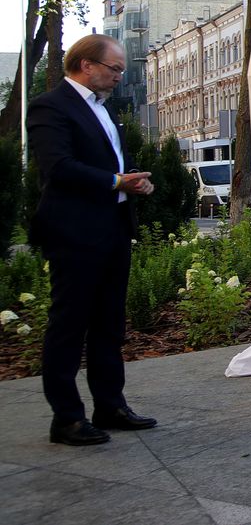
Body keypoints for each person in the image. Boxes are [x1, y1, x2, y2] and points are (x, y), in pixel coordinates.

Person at [26, 35, 157, 446]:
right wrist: (116, 181)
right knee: (69, 325)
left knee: (109, 323)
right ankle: (66, 418)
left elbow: (116, 161)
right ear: (86, 65)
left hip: (113, 228)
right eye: (114, 68)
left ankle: (110, 405)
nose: (120, 76)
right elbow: (58, 167)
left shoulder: (104, 109)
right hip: (73, 232)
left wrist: (135, 180)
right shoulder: (51, 106)